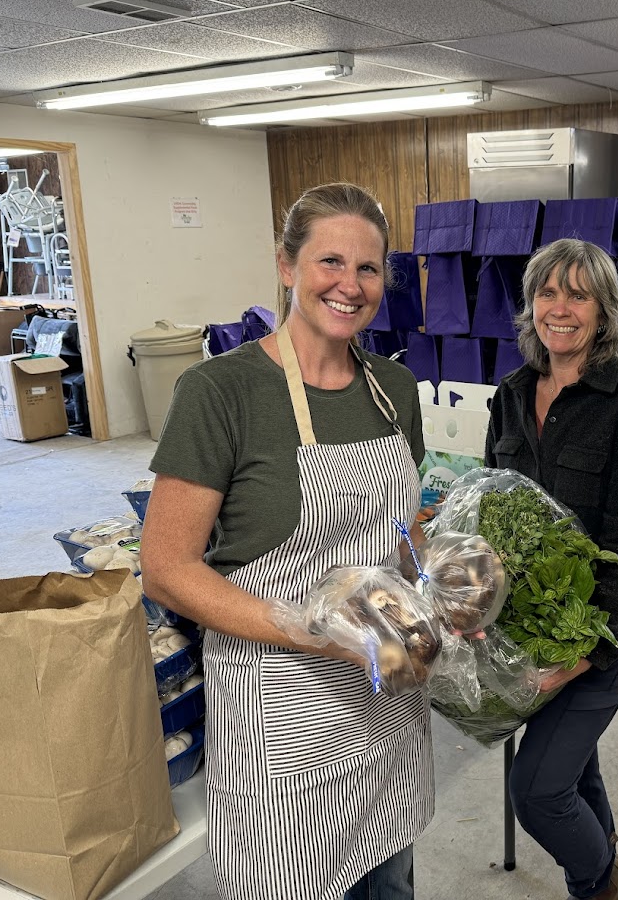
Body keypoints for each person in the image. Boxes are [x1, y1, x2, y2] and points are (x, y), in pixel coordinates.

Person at [140, 183, 431, 900]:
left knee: (388, 878)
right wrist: (301, 626)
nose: (349, 284)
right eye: (329, 260)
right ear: (286, 264)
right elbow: (165, 567)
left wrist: (441, 593)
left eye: (368, 268)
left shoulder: (393, 386)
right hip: (281, 706)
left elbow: (406, 527)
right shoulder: (221, 391)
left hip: (385, 696)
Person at [484, 238, 618, 900]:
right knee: (569, 761)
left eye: (577, 293)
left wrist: (582, 655)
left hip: (601, 628)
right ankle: (608, 853)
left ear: (603, 310)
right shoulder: (510, 394)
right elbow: (495, 512)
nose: (558, 308)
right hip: (529, 624)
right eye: (546, 291)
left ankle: (599, 882)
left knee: (535, 790)